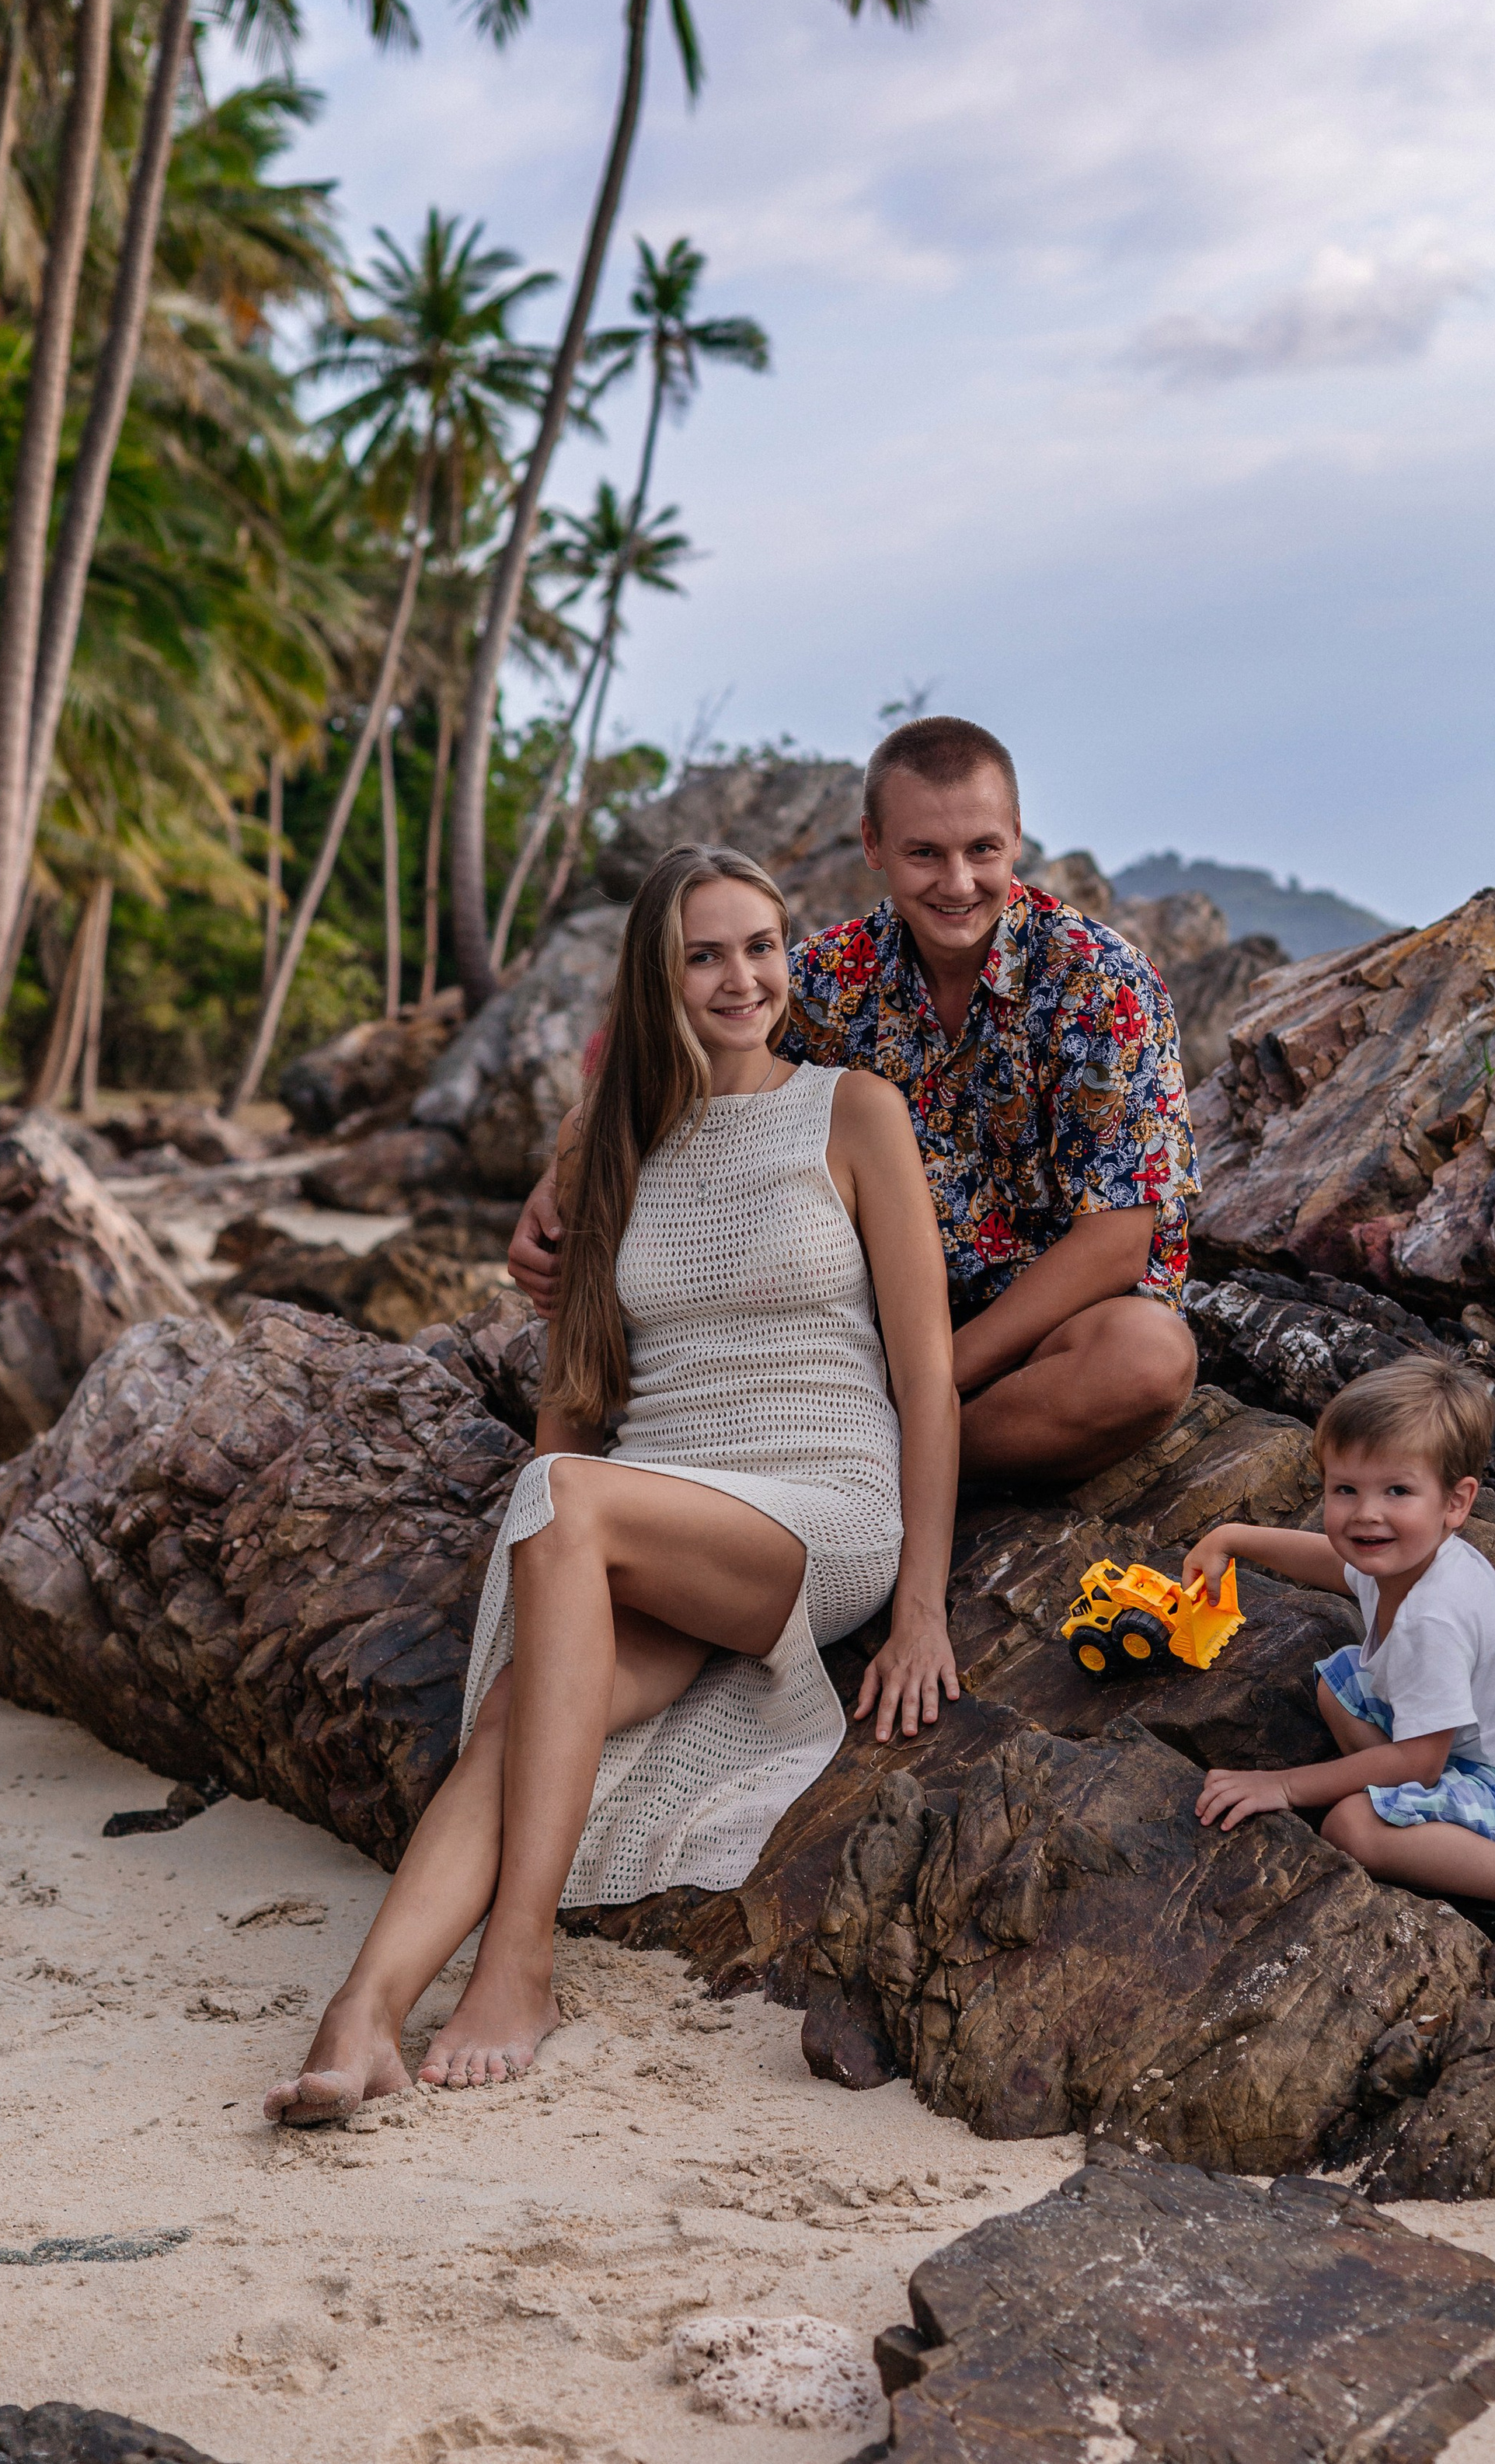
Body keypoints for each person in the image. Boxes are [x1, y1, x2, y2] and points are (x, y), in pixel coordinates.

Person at [266, 845, 959, 2123]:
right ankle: (361, 2012)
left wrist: (921, 1604)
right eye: (705, 953)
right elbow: (574, 1400)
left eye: (760, 945)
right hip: (645, 1519)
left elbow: (927, 1376)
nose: (742, 976)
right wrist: (526, 1607)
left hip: (818, 1510)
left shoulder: (854, 1110)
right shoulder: (611, 1142)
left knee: (572, 1498)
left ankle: (516, 1960)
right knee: (526, 1706)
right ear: (660, 975)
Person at [508, 716, 1198, 1488]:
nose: (957, 882)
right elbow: (670, 1052)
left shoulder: (1098, 981)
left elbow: (1115, 1242)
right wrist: (558, 1177)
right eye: (923, 854)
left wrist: (922, 1387)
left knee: (1149, 1357)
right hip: (869, 1329)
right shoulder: (828, 979)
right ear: (872, 845)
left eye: (982, 850)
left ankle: (890, 1470)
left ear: (1015, 837)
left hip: (1031, 1343)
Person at [1182, 1357, 1495, 1974]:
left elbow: (1419, 1760)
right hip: (1483, 1752)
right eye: (1345, 1489)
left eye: (1397, 1491)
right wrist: (1233, 1537)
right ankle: (1422, 1823)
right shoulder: (1410, 1558)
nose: (1366, 1514)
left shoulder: (1432, 1617)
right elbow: (1339, 1569)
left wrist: (1282, 1785)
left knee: (1352, 1826)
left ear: (1456, 1502)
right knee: (1341, 1684)